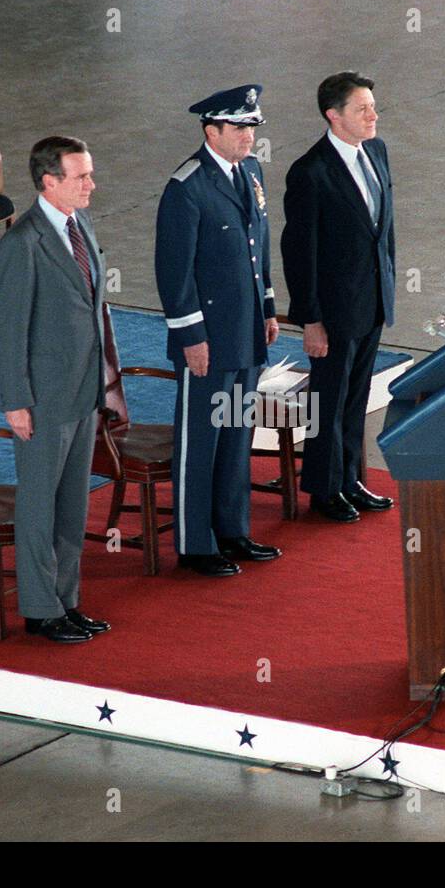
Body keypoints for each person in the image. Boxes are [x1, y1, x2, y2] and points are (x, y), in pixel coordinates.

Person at [155, 84, 282, 577]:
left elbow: (258, 248)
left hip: (246, 332)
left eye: (252, 127)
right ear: (212, 131)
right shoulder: (186, 188)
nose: (249, 136)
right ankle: (195, 543)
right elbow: (174, 273)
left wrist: (268, 308)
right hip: (207, 340)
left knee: (235, 435)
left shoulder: (250, 172)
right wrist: (192, 339)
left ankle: (232, 529)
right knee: (201, 441)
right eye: (240, 127)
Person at [0, 137, 110, 644]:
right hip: (42, 400)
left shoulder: (78, 224)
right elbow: (8, 330)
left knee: (72, 506)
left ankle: (67, 601)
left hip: (82, 393)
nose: (91, 185)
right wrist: (15, 401)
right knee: (39, 507)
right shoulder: (23, 243)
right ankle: (40, 610)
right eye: (80, 177)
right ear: (49, 182)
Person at [280, 72, 396, 522]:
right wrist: (311, 319)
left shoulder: (377, 152)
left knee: (356, 396)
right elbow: (299, 252)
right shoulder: (311, 172)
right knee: (328, 401)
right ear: (334, 115)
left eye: (373, 105)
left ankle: (350, 480)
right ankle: (325, 490)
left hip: (371, 302)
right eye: (362, 108)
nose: (373, 115)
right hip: (333, 310)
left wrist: (387, 287)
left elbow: (384, 232)